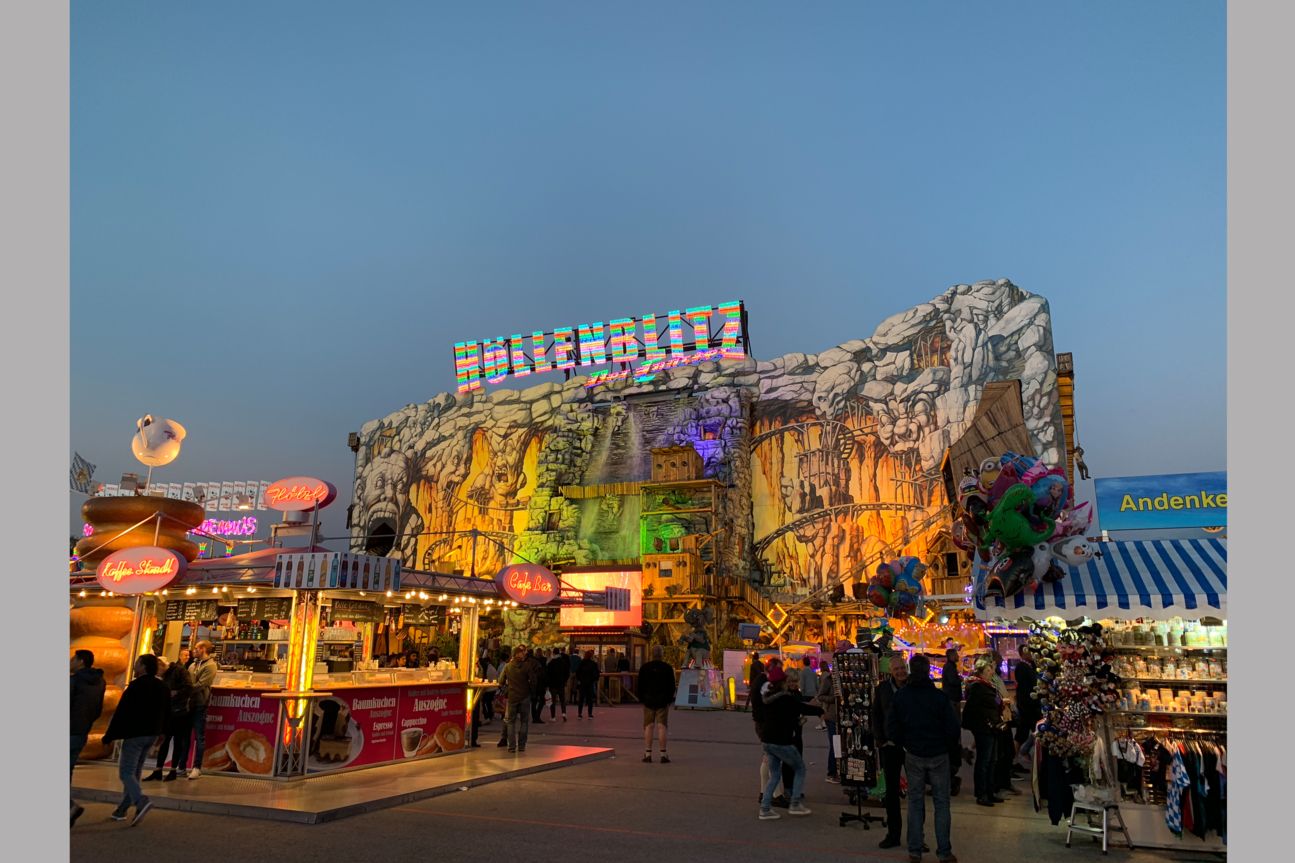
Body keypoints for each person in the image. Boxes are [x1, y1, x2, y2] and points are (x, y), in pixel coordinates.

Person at [887, 655, 960, 863]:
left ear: (910, 670)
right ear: (928, 671)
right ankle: (944, 851)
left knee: (915, 802)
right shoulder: (939, 697)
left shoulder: (901, 696)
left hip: (914, 753)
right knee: (941, 803)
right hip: (938, 753)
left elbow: (891, 726)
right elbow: (953, 728)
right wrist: (946, 745)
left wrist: (905, 742)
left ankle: (915, 850)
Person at [102, 654, 170, 826]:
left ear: (144, 666)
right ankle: (122, 809)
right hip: (152, 734)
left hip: (135, 734)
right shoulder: (162, 686)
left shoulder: (136, 686)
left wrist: (110, 735)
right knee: (135, 771)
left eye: (137, 663)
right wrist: (163, 732)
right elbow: (167, 711)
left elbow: (122, 712)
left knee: (126, 771)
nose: (135, 666)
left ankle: (141, 801)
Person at [757, 666, 824, 820]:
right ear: (783, 682)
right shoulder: (785, 697)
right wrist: (819, 711)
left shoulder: (768, 696)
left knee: (774, 775)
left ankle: (765, 808)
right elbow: (799, 708)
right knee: (800, 768)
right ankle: (794, 803)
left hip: (767, 740)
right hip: (781, 740)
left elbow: (783, 715)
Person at [872, 654, 909, 849]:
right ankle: (893, 834)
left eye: (902, 668)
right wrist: (881, 740)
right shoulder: (883, 689)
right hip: (890, 747)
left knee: (916, 793)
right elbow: (876, 714)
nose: (901, 672)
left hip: (911, 747)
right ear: (890, 672)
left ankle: (917, 837)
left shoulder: (913, 687)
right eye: (897, 670)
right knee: (892, 792)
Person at [145, 650, 194, 782]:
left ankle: (173, 770)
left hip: (180, 711)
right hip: (169, 711)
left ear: (161, 666)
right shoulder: (166, 675)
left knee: (177, 741)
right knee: (164, 740)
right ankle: (158, 770)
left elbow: (189, 687)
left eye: (157, 670)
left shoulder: (179, 671)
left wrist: (175, 693)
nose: (157, 673)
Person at [70, 649, 106, 827]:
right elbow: (98, 709)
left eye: (73, 659)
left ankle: (70, 806)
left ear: (81, 661)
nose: (70, 661)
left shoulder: (74, 680)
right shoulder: (100, 682)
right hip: (82, 731)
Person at [963, 657, 1005, 807]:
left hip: (992, 726)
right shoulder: (978, 687)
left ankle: (990, 790)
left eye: (992, 669)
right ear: (981, 672)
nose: (991, 672)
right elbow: (974, 709)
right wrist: (985, 721)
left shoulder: (987, 685)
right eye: (988, 670)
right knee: (984, 761)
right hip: (984, 728)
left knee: (991, 760)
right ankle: (981, 793)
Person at [637, 645, 676, 763]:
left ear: (651, 654)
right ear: (662, 654)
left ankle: (648, 754)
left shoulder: (645, 667)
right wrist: (669, 700)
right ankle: (663, 754)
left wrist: (642, 699)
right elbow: (672, 686)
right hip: (662, 701)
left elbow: (640, 685)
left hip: (648, 700)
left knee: (648, 726)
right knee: (662, 726)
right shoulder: (667, 668)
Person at [186, 640, 218, 779]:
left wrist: (184, 690)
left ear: (203, 649)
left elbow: (200, 685)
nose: (194, 650)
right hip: (188, 704)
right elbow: (187, 680)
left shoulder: (211, 666)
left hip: (200, 704)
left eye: (197, 648)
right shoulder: (193, 665)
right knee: (185, 736)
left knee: (199, 736)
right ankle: (182, 765)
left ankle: (197, 767)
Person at [501, 646, 539, 753]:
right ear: (519, 654)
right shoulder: (527, 666)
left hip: (512, 696)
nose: (524, 655)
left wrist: (507, 687)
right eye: (522, 653)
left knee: (510, 722)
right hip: (525, 697)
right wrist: (531, 691)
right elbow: (534, 680)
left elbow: (500, 681)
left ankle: (511, 746)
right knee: (524, 722)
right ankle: (521, 746)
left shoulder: (507, 666)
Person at [1013, 646, 1040, 771]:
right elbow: (1026, 687)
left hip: (1030, 705)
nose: (1031, 654)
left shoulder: (1030, 665)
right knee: (1023, 734)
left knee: (1034, 732)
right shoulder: (1022, 667)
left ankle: (1018, 756)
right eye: (1028, 652)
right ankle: (1013, 761)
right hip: (1027, 706)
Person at [941, 647, 964, 795]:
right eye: (956, 654)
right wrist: (959, 679)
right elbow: (952, 681)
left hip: (953, 698)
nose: (958, 656)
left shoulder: (950, 666)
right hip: (952, 698)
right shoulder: (950, 667)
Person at [814, 669, 840, 783]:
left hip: (843, 717)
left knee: (842, 746)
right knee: (835, 745)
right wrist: (834, 698)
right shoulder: (829, 680)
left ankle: (840, 771)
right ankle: (831, 772)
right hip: (832, 716)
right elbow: (820, 696)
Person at [546, 646, 570, 721]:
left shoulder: (551, 663)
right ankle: (564, 713)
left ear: (553, 653)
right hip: (561, 683)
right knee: (562, 699)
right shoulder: (563, 662)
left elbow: (548, 674)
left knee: (553, 701)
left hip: (552, 684)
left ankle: (553, 717)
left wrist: (548, 684)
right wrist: (565, 680)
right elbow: (567, 672)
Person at [575, 650, 601, 718]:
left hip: (583, 683)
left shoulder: (581, 663)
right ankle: (590, 714)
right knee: (590, 699)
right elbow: (597, 674)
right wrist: (594, 680)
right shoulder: (593, 664)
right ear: (591, 656)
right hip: (590, 683)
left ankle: (579, 714)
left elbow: (577, 673)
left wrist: (580, 680)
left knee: (581, 699)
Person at [528, 648, 548, 724]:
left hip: (533, 684)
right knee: (541, 701)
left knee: (534, 701)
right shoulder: (542, 661)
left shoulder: (531, 662)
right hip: (540, 684)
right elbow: (544, 673)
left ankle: (534, 717)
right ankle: (537, 716)